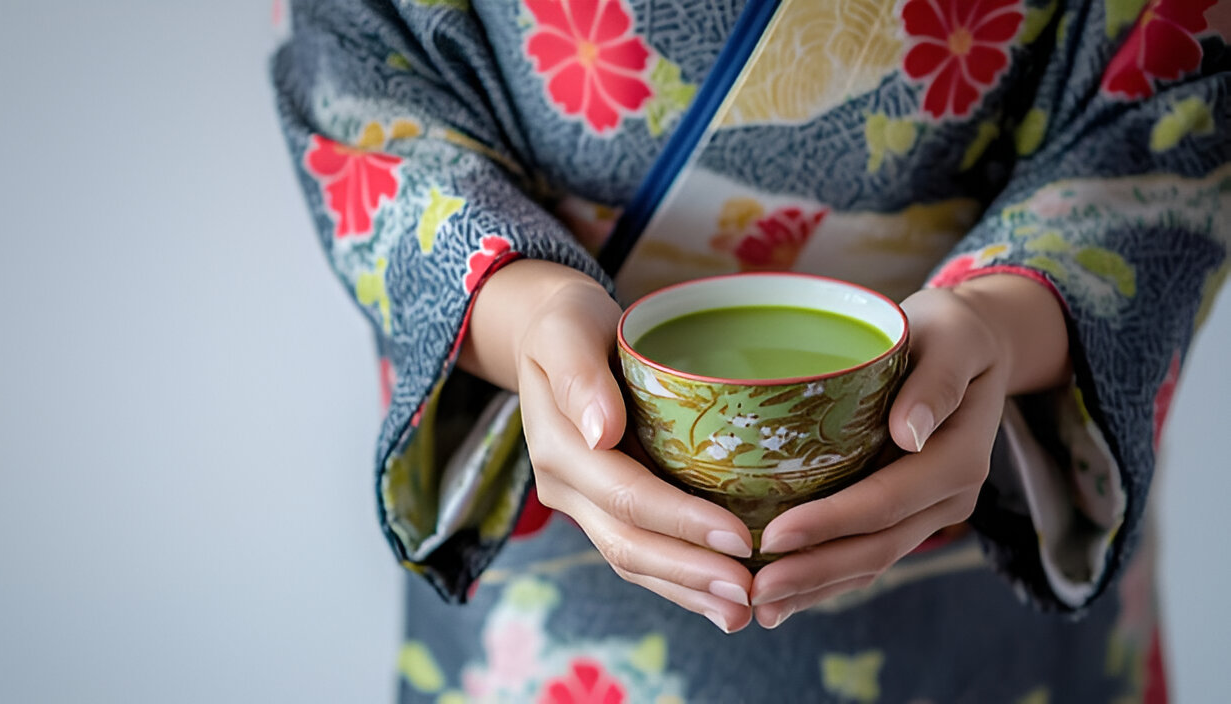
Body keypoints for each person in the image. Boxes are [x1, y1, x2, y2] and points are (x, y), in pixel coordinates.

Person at [272, 0, 1230, 700]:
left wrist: (996, 323)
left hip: (979, 517)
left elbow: (1169, 105)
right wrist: (530, 317)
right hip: (565, 526)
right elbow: (364, 75)